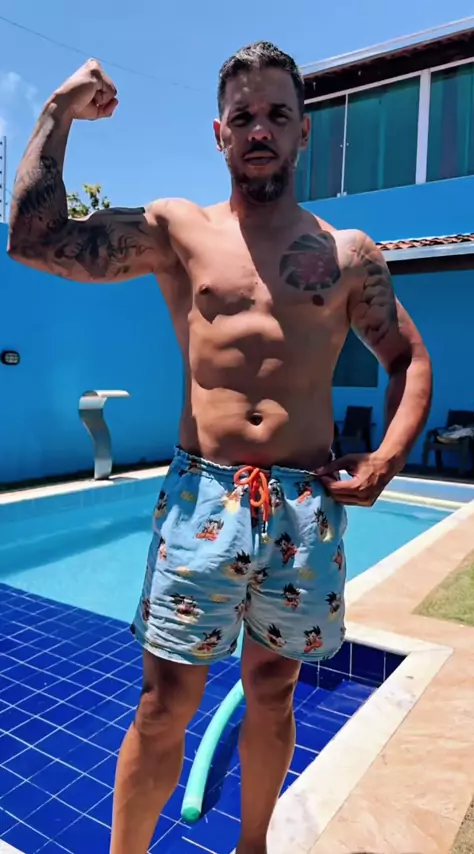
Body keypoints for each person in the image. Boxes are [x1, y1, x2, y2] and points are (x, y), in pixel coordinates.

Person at [8, 42, 432, 854]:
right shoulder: (180, 230)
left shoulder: (349, 254)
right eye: (243, 117)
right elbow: (35, 238)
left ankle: (253, 846)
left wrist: (386, 458)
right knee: (164, 703)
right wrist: (58, 112)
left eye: (277, 114)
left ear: (304, 130)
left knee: (272, 694)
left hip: (304, 509)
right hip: (203, 499)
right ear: (219, 134)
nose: (259, 130)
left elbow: (407, 360)